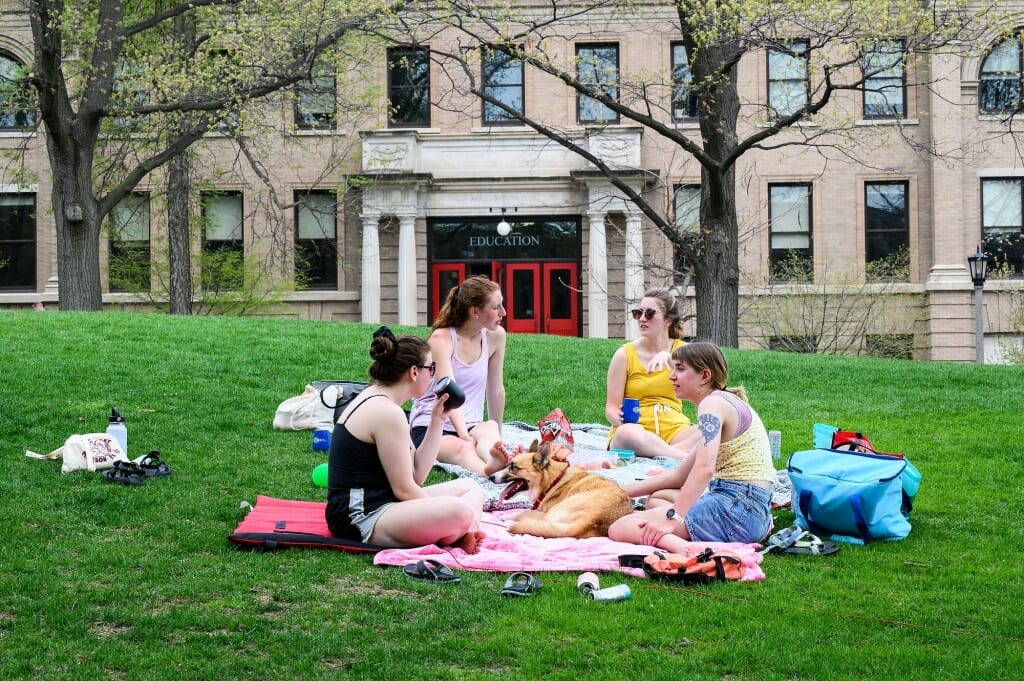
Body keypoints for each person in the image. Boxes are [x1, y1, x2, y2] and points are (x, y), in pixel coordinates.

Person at [325, 326, 486, 553]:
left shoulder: (387, 403)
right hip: (361, 518)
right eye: (431, 368)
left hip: (387, 504)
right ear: (413, 372)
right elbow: (405, 490)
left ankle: (462, 532)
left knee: (471, 488)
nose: (433, 375)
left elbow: (416, 475)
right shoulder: (386, 412)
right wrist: (443, 511)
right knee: (460, 510)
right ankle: (462, 530)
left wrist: (437, 421)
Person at [608, 342, 776, 547]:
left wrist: (673, 520)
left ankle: (687, 549)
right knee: (658, 499)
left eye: (680, 369)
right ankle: (686, 534)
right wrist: (617, 492)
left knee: (620, 527)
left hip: (735, 511)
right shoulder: (723, 402)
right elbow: (677, 477)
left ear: (705, 376)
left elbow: (705, 469)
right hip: (752, 510)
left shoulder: (711, 405)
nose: (671, 376)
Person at [408, 275, 509, 475]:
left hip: (471, 422)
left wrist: (498, 434)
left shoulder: (496, 336)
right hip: (431, 423)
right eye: (496, 307)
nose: (503, 313)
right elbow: (449, 393)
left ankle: (498, 459)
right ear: (475, 312)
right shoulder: (442, 339)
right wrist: (464, 435)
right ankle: (489, 471)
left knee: (489, 429)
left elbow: (496, 389)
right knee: (465, 449)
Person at [605, 288, 695, 459]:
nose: (642, 319)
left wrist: (670, 360)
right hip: (637, 429)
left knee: (709, 431)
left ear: (668, 320)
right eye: (638, 313)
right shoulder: (624, 354)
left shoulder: (683, 350)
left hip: (674, 428)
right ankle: (682, 456)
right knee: (626, 435)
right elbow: (611, 407)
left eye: (649, 313)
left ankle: (665, 452)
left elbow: (701, 389)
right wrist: (621, 421)